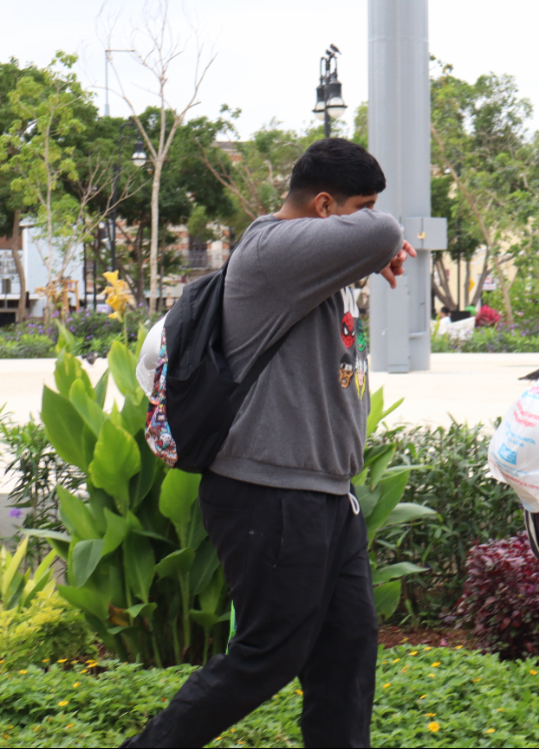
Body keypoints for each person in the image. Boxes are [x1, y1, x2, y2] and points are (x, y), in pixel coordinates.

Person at [124, 138, 415, 748]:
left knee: (346, 658)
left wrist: (373, 249)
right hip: (271, 493)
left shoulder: (312, 263)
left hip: (326, 495)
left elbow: (375, 234)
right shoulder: (270, 252)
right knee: (267, 654)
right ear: (327, 207)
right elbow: (384, 228)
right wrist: (380, 238)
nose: (370, 219)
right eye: (359, 208)